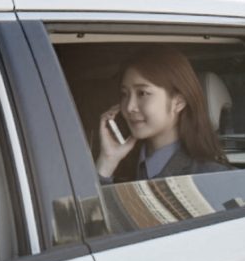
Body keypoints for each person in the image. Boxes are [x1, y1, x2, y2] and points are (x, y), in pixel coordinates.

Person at [96, 46, 231, 183]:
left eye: (142, 93)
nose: (129, 107)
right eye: (125, 94)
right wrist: (107, 160)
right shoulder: (120, 166)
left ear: (178, 102)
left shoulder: (213, 177)